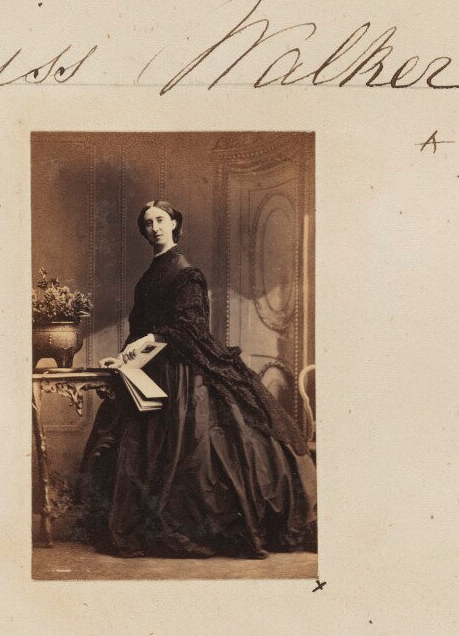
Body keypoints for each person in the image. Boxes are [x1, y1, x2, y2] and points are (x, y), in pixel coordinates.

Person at [78, 200, 317, 558]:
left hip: (181, 368)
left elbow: (190, 327)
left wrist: (148, 341)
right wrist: (124, 356)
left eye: (161, 220)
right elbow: (140, 328)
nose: (155, 228)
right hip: (150, 368)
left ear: (174, 223)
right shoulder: (150, 274)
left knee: (202, 445)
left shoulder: (186, 272)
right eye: (148, 223)